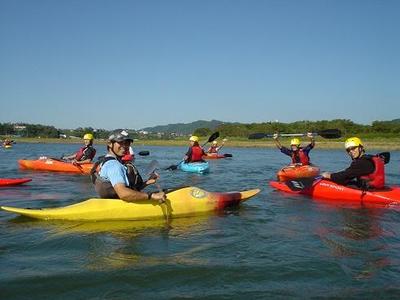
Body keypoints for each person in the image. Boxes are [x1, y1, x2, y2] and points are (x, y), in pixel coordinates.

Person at [91, 130, 165, 202]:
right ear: (110, 144)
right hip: (118, 205)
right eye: (120, 142)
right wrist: (151, 195)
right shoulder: (114, 165)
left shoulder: (106, 161)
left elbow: (125, 189)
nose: (124, 146)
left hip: (111, 202)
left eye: (127, 143)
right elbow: (124, 194)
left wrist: (147, 182)